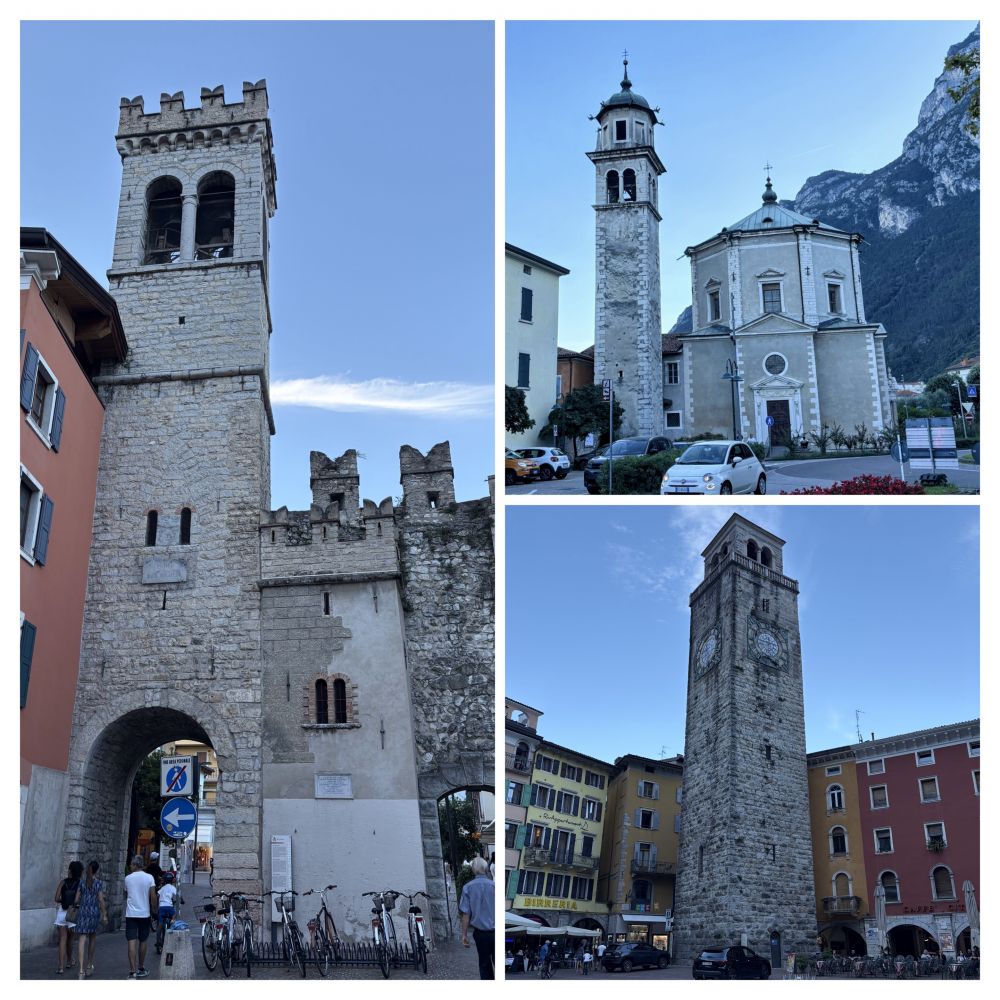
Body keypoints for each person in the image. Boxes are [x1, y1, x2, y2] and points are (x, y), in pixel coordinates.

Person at [459, 856, 495, 979]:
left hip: (480, 934)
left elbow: (466, 914)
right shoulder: (494, 886)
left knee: (484, 965)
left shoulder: (467, 887)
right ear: (486, 869)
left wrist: (464, 935)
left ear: (473, 870)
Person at [124, 854, 158, 978]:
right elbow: (153, 896)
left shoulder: (127, 878)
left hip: (131, 914)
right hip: (144, 914)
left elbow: (126, 894)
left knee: (131, 941)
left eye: (131, 864)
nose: (130, 866)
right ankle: (141, 967)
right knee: (143, 940)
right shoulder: (149, 878)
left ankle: (132, 971)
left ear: (135, 865)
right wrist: (154, 910)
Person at [74, 861, 108, 979]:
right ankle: (89, 965)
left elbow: (76, 900)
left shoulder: (82, 882)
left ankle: (81, 971)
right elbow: (101, 900)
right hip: (93, 913)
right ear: (96, 871)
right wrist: (104, 914)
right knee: (92, 937)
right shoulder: (98, 883)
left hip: (83, 912)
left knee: (82, 939)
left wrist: (80, 902)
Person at [53, 861, 83, 974]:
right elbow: (77, 900)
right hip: (72, 913)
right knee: (70, 940)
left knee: (62, 940)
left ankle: (60, 967)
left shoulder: (63, 882)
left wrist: (64, 900)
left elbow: (56, 898)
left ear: (70, 870)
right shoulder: (79, 884)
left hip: (62, 912)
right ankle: (69, 961)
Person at [156, 872, 180, 954]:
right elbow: (178, 895)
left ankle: (158, 941)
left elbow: (157, 895)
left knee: (160, 923)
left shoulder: (162, 888)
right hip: (169, 907)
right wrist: (182, 900)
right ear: (172, 880)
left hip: (161, 907)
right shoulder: (172, 887)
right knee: (174, 914)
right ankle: (172, 921)